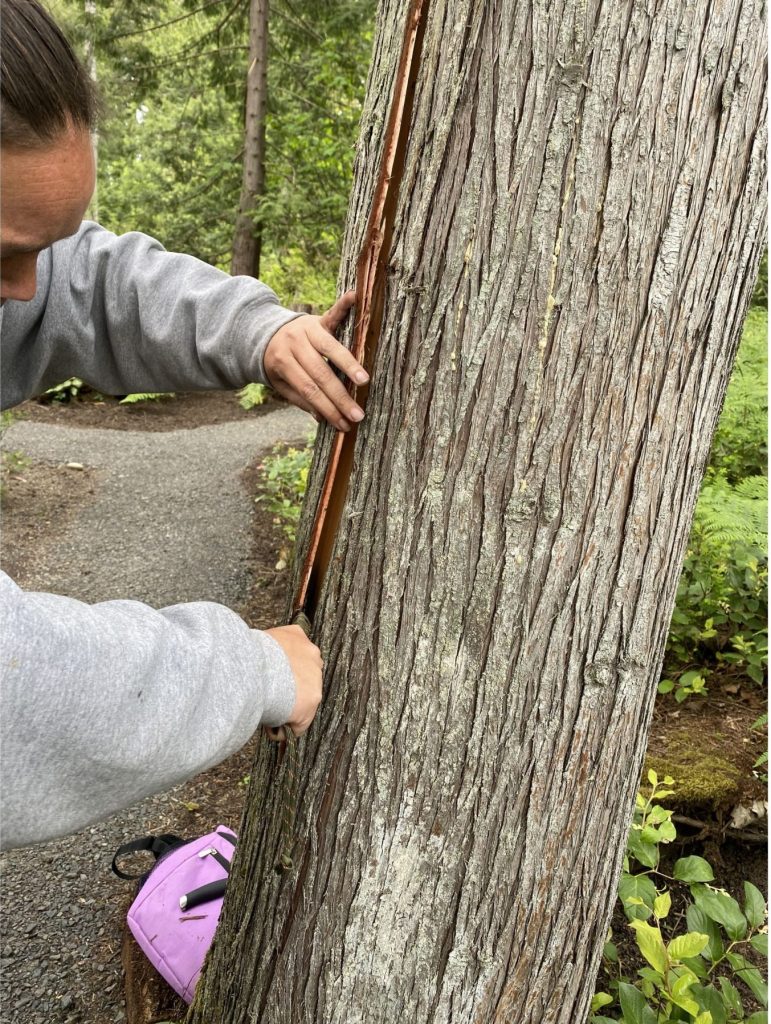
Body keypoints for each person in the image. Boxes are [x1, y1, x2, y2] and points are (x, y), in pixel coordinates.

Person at [0, 0, 368, 850]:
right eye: (2, 251)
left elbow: (79, 283)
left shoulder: (34, 269)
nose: (22, 290)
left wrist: (257, 330)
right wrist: (251, 669)